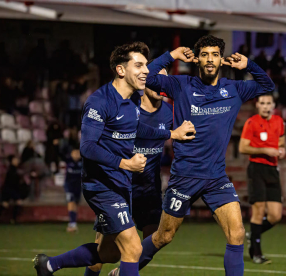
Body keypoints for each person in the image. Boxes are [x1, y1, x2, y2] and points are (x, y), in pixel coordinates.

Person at [116, 35, 275, 276]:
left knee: (237, 233)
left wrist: (249, 65)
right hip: (184, 177)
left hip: (216, 178)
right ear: (197, 60)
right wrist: (172, 55)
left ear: (221, 59)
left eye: (214, 55)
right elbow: (146, 77)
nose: (209, 60)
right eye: (204, 55)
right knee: (163, 236)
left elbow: (267, 86)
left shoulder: (234, 89)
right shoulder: (181, 85)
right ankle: (124, 271)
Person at [32, 42, 195, 276]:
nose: (146, 71)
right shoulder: (100, 101)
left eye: (146, 66)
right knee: (133, 247)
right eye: (138, 66)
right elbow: (87, 147)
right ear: (121, 70)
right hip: (101, 185)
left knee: (109, 253)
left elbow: (141, 129)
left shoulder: (133, 103)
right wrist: (126, 163)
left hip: (122, 185)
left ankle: (49, 265)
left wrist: (172, 134)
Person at [86, 62, 174, 276]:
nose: (163, 87)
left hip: (149, 188)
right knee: (105, 250)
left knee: (158, 236)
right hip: (119, 186)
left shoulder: (169, 113)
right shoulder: (128, 108)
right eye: (157, 81)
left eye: (166, 82)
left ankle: (120, 273)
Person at [239, 93, 285, 264]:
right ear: (257, 105)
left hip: (273, 170)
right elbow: (243, 147)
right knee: (258, 210)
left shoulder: (279, 122)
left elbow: (281, 142)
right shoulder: (251, 122)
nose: (266, 106)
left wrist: (282, 150)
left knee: (275, 216)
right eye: (262, 103)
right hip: (256, 168)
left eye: (269, 103)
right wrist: (266, 150)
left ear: (273, 105)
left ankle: (253, 234)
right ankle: (256, 253)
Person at [0, 155, 29, 224]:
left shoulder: (16, 169)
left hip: (12, 189)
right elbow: (10, 181)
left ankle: (12, 219)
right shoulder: (11, 170)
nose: (17, 161)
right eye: (15, 160)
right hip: (9, 189)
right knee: (5, 204)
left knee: (15, 202)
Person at [63, 148, 82, 233]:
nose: (76, 155)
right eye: (74, 153)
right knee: (71, 202)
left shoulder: (83, 162)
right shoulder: (68, 161)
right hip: (69, 186)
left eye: (78, 153)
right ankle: (72, 223)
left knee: (76, 204)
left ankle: (73, 222)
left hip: (79, 186)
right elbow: (60, 153)